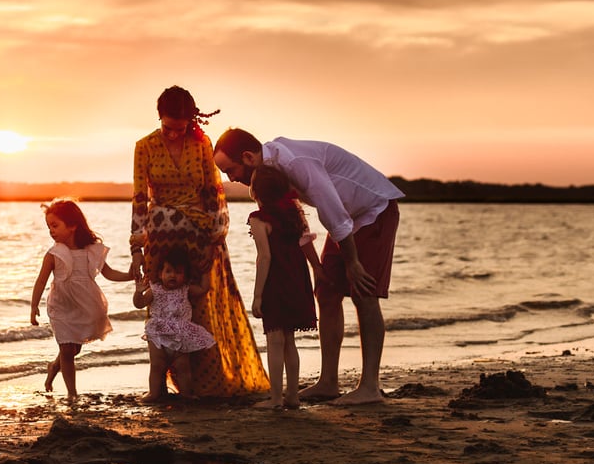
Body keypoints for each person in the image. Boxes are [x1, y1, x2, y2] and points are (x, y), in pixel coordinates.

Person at [214, 128, 403, 406]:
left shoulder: (295, 164)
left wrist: (351, 261)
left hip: (373, 210)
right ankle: (328, 382)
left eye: (231, 170)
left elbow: (332, 211)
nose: (232, 179)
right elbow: (299, 221)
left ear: (248, 157)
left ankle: (370, 387)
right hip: (349, 220)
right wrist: (316, 265)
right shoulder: (270, 173)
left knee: (364, 293)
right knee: (326, 292)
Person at [130, 86, 269, 397]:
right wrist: (136, 249)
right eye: (168, 128)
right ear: (159, 119)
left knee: (199, 314)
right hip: (160, 241)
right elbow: (140, 197)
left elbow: (213, 193)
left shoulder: (202, 143)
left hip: (198, 240)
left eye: (181, 128)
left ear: (191, 122)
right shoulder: (144, 146)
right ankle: (162, 387)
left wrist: (215, 240)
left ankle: (204, 387)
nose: (175, 135)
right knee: (163, 313)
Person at [30, 199, 135, 401]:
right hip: (61, 306)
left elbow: (109, 273)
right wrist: (34, 306)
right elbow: (41, 281)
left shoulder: (91, 250)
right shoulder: (53, 254)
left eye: (55, 225)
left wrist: (130, 275)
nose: (51, 231)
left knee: (74, 348)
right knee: (67, 350)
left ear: (73, 225)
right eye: (48, 226)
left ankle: (53, 367)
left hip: (85, 305)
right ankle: (72, 394)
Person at [247, 165, 322, 410]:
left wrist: (257, 295)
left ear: (255, 191)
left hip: (276, 282)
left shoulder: (259, 219)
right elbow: (303, 245)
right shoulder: (293, 213)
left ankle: (276, 398)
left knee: (275, 341)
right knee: (289, 340)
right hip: (297, 280)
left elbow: (265, 257)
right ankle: (293, 395)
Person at [132, 246, 216, 402]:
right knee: (157, 366)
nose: (173, 276)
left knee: (183, 367)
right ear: (160, 274)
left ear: (184, 276)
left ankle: (186, 394)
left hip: (181, 334)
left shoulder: (186, 289)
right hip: (158, 334)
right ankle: (154, 393)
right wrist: (139, 292)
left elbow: (203, 289)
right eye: (169, 271)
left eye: (178, 272)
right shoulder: (155, 290)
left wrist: (205, 271)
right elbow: (139, 304)